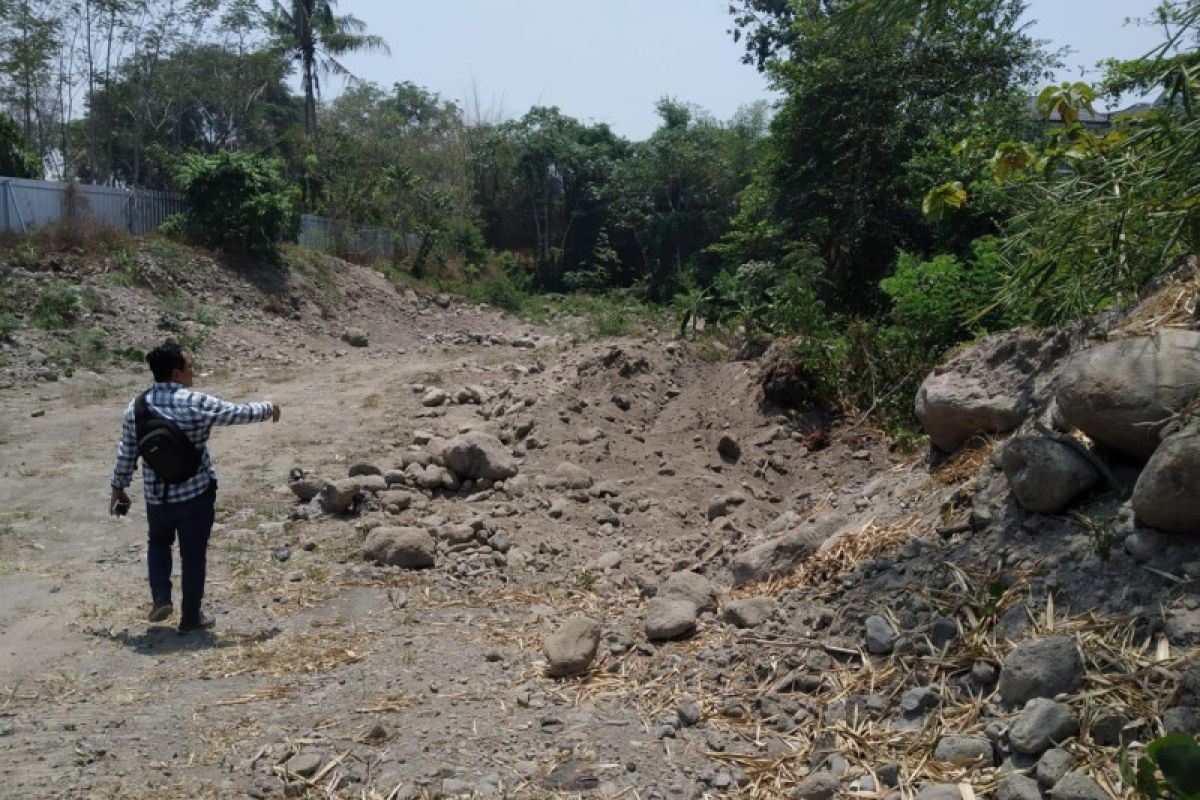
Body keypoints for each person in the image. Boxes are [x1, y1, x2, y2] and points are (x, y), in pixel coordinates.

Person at [109, 340, 281, 633]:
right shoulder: (195, 401)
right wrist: (269, 408)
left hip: (157, 497)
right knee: (193, 554)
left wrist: (118, 488)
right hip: (195, 494)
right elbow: (236, 413)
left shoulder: (135, 407)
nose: (194, 371)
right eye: (190, 366)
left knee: (158, 543)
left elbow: (127, 452)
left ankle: (161, 597)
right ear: (176, 373)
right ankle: (191, 617)